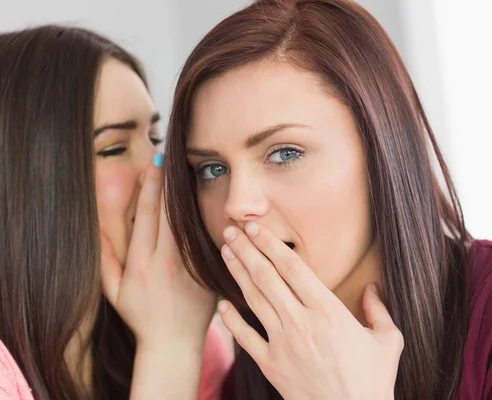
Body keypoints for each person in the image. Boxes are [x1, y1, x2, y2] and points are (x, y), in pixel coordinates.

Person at [164, 0, 492, 399]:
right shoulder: (248, 379)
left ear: (382, 150)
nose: (235, 205)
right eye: (213, 169)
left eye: (285, 153)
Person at [0, 25, 231, 399]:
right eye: (114, 148)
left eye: (155, 139)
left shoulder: (187, 335)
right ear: (21, 184)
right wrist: (170, 352)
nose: (161, 171)